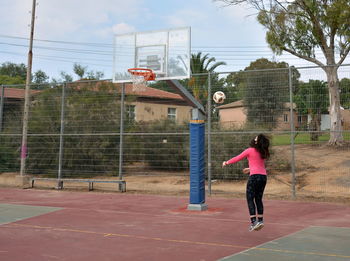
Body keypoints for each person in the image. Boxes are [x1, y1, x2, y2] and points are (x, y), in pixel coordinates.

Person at [222, 134, 270, 232]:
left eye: (256, 137)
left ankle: (253, 222)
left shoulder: (250, 150)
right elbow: (258, 164)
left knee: (250, 198)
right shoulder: (263, 152)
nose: (254, 138)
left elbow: (237, 158)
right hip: (263, 177)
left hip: (254, 177)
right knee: (258, 199)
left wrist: (226, 162)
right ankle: (260, 220)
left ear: (257, 141)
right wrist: (250, 169)